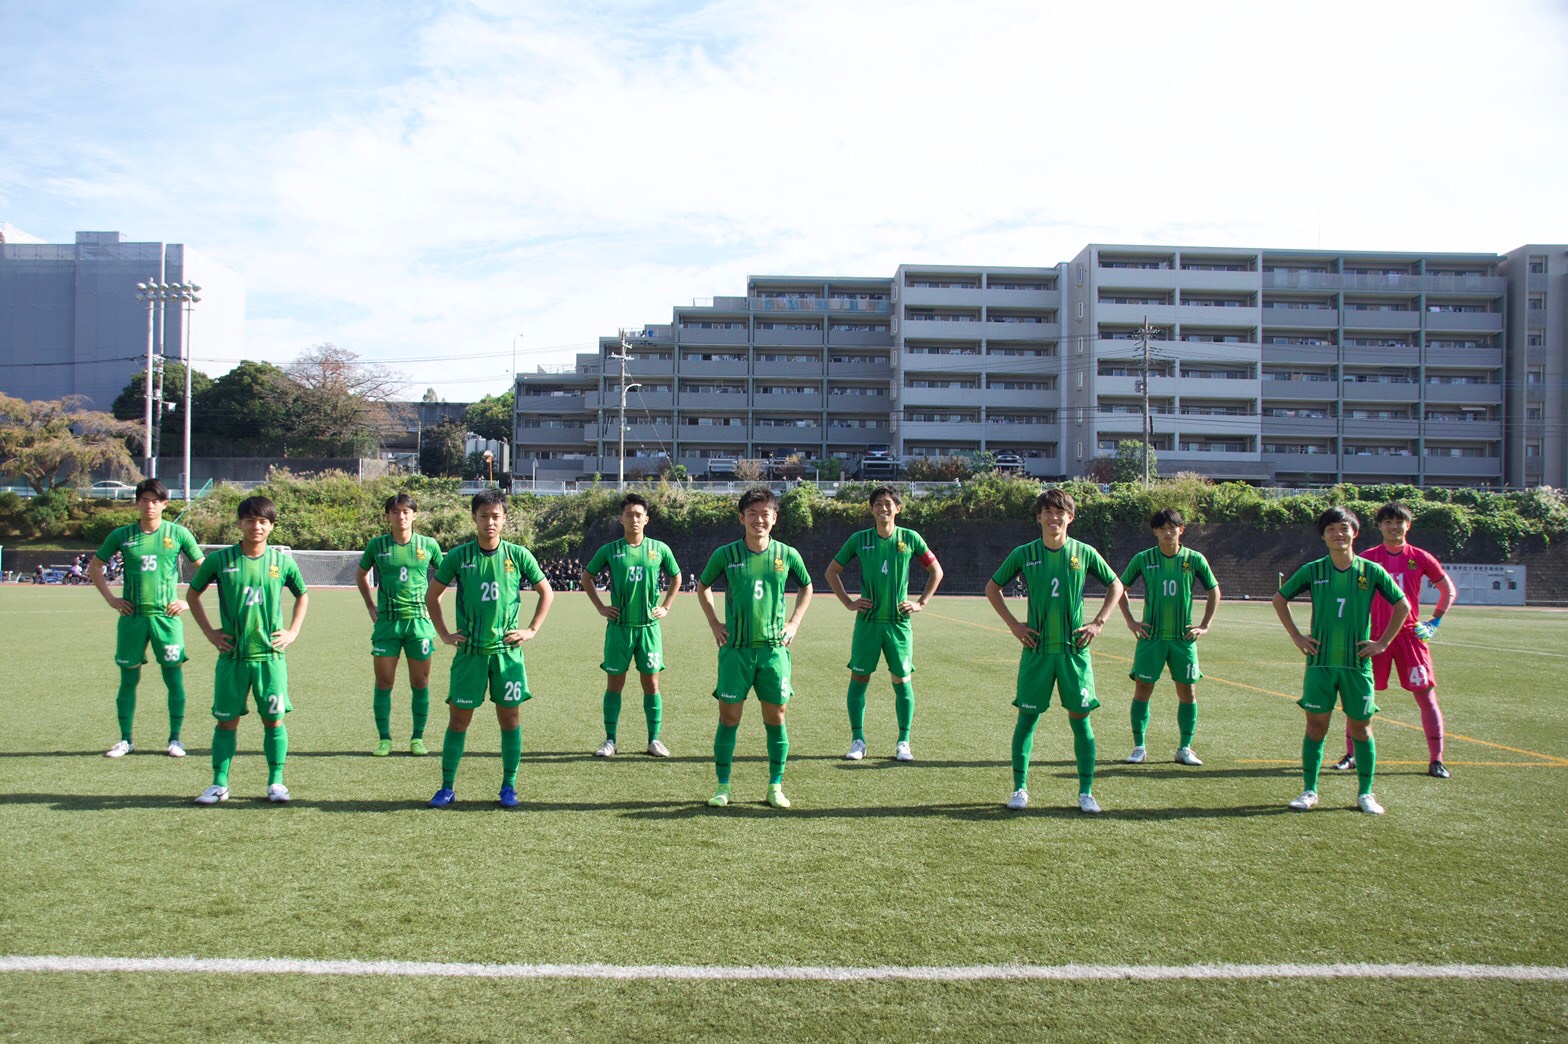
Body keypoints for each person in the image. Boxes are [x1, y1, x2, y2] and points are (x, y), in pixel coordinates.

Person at [985, 488, 1123, 814]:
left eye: (1060, 512)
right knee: (1027, 719)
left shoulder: (1084, 552)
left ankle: (1086, 792)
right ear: (1038, 517)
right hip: (1037, 651)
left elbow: (1115, 584)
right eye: (1047, 512)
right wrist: (1014, 625)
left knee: (1081, 721)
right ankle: (1019, 788)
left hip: (1074, 652)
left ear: (1070, 517)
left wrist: (1099, 622)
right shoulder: (1025, 552)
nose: (1053, 517)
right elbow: (993, 588)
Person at [1272, 506, 1409, 815]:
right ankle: (1309, 791)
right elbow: (1280, 599)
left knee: (1362, 729)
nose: (1338, 534)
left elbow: (1402, 605)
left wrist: (1383, 642)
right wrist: (1297, 637)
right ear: (1323, 535)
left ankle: (1365, 794)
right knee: (1315, 728)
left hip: (1357, 665)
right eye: (1331, 529)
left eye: (1344, 528)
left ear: (1355, 533)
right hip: (1320, 664)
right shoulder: (1313, 570)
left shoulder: (1370, 571)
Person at [424, 489, 554, 809]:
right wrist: (443, 634)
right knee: (458, 720)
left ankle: (509, 786)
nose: (490, 522)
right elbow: (432, 596)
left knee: (510, 720)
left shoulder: (518, 555)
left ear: (504, 519)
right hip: (470, 654)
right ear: (474, 518)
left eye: (496, 516)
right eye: (484, 516)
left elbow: (546, 592)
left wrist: (531, 630)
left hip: (506, 654)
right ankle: (447, 787)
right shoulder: (458, 555)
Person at [187, 495, 310, 804]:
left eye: (263, 521)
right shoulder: (219, 560)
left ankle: (276, 782)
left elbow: (303, 595)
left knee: (274, 720)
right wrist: (210, 632)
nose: (257, 526)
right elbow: (192, 595)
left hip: (270, 657)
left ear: (271, 526)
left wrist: (293, 631)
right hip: (233, 657)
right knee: (226, 721)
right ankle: (219, 784)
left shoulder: (281, 562)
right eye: (251, 520)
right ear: (240, 523)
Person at [695, 487, 813, 809]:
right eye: (752, 514)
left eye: (765, 514)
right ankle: (723, 786)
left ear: (774, 518)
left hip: (774, 650)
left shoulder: (787, 554)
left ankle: (775, 786)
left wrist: (794, 623)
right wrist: (715, 623)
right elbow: (702, 586)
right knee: (729, 717)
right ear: (741, 518)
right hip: (737, 650)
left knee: (776, 716)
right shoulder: (725, 555)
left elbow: (807, 586)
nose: (758, 520)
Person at [1332, 501, 1457, 779]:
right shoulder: (1367, 557)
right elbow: (1350, 593)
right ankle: (1351, 754)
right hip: (1372, 638)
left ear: (1407, 525)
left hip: (1410, 637)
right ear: (1379, 527)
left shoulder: (1420, 557)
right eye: (1387, 522)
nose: (1393, 526)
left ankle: (1436, 760)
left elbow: (1448, 589)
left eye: (1398, 521)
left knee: (1426, 696)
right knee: (1358, 697)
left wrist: (1434, 621)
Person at [823, 484, 943, 762]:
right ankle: (858, 740)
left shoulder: (910, 538)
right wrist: (849, 602)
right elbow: (832, 571)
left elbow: (936, 571)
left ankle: (903, 741)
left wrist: (921, 602)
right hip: (868, 622)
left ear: (898, 509)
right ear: (871, 509)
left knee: (902, 680)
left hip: (898, 623)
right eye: (878, 503)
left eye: (889, 503)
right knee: (859, 678)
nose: (883, 507)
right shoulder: (859, 539)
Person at [89, 478, 206, 758]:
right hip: (133, 618)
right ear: (137, 503)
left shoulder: (178, 534)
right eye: (145, 500)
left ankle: (176, 739)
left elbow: (205, 570)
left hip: (166, 618)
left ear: (165, 504)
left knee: (173, 679)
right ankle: (125, 739)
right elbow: (95, 567)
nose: (150, 506)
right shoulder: (122, 534)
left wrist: (187, 602)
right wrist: (111, 599)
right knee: (128, 680)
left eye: (156, 501)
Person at [580, 493, 682, 758]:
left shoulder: (659, 549)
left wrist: (666, 606)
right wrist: (601, 607)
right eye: (629, 514)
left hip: (648, 628)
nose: (634, 519)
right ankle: (610, 740)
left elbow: (676, 577)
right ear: (621, 518)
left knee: (652, 685)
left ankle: (654, 740)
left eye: (639, 515)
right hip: (619, 628)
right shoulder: (610, 550)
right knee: (615, 685)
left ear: (646, 519)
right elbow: (587, 577)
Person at [1116, 508, 1221, 766]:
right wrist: (1131, 621)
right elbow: (1120, 588)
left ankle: (1185, 747)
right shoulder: (1143, 558)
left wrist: (1204, 625)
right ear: (1155, 531)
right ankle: (1139, 746)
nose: (1167, 532)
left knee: (1187, 691)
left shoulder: (1194, 559)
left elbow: (1214, 590)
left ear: (1181, 529)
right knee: (1143, 688)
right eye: (1161, 528)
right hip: (1151, 637)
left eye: (1172, 527)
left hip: (1182, 638)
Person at [355, 493, 445, 758]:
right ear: (388, 516)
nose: (401, 516)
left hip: (419, 624)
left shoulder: (428, 545)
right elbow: (360, 574)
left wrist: (433, 603)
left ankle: (417, 737)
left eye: (406, 511)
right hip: (388, 624)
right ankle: (384, 738)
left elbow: (446, 575)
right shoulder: (377, 545)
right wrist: (370, 605)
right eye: (395, 512)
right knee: (384, 681)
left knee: (420, 681)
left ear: (414, 515)